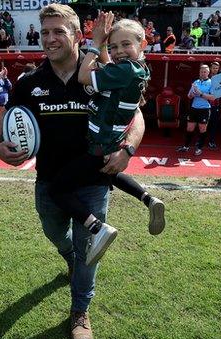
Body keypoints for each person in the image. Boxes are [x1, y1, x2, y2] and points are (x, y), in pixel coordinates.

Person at [0, 4, 146, 339]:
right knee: (55, 233)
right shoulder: (30, 81)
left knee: (89, 246)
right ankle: (69, 256)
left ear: (77, 35)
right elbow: (4, 115)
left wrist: (128, 150)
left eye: (58, 31)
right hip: (48, 180)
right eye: (45, 32)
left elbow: (135, 115)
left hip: (92, 179)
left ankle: (80, 310)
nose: (50, 38)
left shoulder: (102, 70)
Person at [59, 14, 165, 262]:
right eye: (114, 46)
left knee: (57, 189)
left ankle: (97, 228)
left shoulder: (126, 71)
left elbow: (84, 77)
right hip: (111, 142)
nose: (118, 51)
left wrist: (96, 44)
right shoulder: (135, 69)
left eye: (126, 44)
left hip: (99, 144)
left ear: (142, 44)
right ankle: (148, 199)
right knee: (110, 173)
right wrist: (105, 47)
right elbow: (109, 68)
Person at [177, 64, 215, 155]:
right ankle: (186, 146)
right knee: (189, 128)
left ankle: (199, 148)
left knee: (202, 129)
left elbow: (213, 97)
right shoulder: (196, 82)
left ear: (208, 72)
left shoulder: (211, 83)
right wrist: (192, 94)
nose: (203, 73)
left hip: (205, 109)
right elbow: (189, 96)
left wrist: (201, 94)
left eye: (205, 71)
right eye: (201, 71)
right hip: (194, 108)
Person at [206, 61, 221, 149]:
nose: (215, 70)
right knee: (204, 123)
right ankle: (201, 140)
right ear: (210, 68)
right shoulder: (206, 77)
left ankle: (211, 141)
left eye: (216, 68)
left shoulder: (220, 78)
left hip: (215, 104)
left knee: (214, 123)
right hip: (205, 104)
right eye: (213, 68)